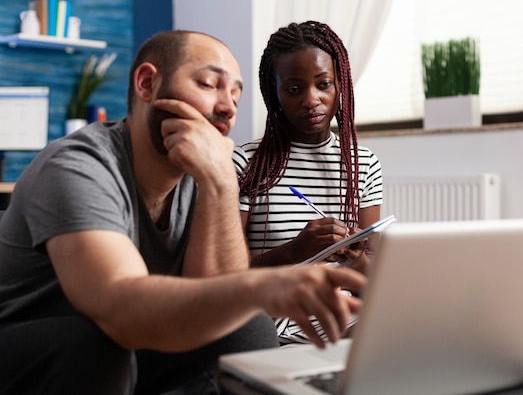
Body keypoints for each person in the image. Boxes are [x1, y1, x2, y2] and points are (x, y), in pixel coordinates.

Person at [0, 30, 366, 395]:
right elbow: (120, 311)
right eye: (209, 84)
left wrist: (221, 182)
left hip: (127, 346)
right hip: (39, 345)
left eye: (235, 94)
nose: (227, 107)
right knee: (97, 344)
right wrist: (265, 285)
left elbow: (218, 300)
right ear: (147, 84)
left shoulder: (201, 175)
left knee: (246, 326)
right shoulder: (79, 165)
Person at [233, 21, 383, 344]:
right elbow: (226, 275)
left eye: (323, 84)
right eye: (294, 89)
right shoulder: (246, 164)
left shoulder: (364, 164)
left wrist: (355, 258)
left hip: (345, 320)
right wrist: (296, 251)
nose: (311, 99)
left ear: (340, 85)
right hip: (272, 324)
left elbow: (372, 279)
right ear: (275, 93)